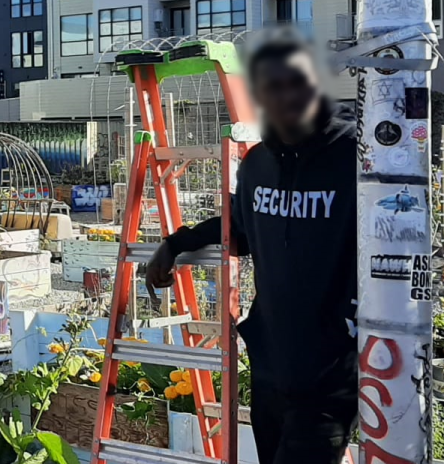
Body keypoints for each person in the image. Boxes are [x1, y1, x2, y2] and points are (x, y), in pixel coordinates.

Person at [146, 36, 358, 464]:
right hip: (270, 366)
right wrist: (176, 243)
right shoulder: (259, 163)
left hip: (330, 375)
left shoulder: (357, 157)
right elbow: (239, 226)